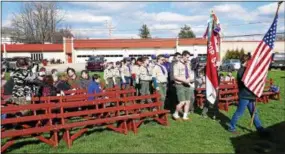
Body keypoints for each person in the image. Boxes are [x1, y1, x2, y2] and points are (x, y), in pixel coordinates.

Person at [229, 54, 266, 135]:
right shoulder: (241, 71)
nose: (251, 62)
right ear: (245, 61)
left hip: (251, 95)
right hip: (244, 95)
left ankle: (260, 129)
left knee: (254, 112)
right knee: (239, 112)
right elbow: (246, 82)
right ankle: (231, 127)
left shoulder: (248, 70)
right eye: (249, 60)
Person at [172, 50, 194, 121]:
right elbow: (175, 76)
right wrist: (184, 80)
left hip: (187, 84)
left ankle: (185, 116)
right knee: (182, 102)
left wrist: (190, 79)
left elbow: (189, 73)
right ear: (183, 56)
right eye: (187, 57)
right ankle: (175, 114)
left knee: (188, 101)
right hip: (180, 85)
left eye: (189, 57)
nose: (188, 59)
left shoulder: (187, 64)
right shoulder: (177, 64)